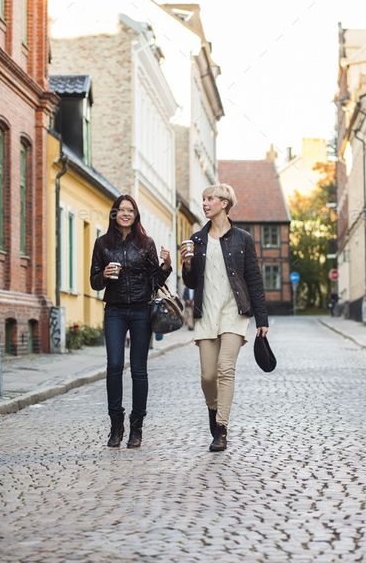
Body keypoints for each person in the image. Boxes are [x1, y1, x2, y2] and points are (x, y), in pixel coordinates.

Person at [180, 183, 269, 452]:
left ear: (224, 204)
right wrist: (186, 265)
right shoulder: (197, 239)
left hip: (234, 313)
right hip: (206, 313)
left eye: (210, 199)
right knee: (208, 376)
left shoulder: (243, 239)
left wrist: (262, 320)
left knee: (225, 369)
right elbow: (192, 282)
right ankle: (212, 409)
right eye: (203, 199)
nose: (204, 203)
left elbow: (253, 279)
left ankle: (221, 429)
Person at [90, 195, 171, 449]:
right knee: (114, 366)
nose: (126, 214)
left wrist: (166, 264)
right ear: (114, 214)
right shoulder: (102, 244)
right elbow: (94, 282)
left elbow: (156, 279)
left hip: (140, 311)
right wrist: (103, 274)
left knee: (138, 370)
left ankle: (137, 427)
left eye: (130, 210)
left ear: (136, 215)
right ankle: (116, 426)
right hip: (114, 310)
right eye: (121, 210)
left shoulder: (146, 244)